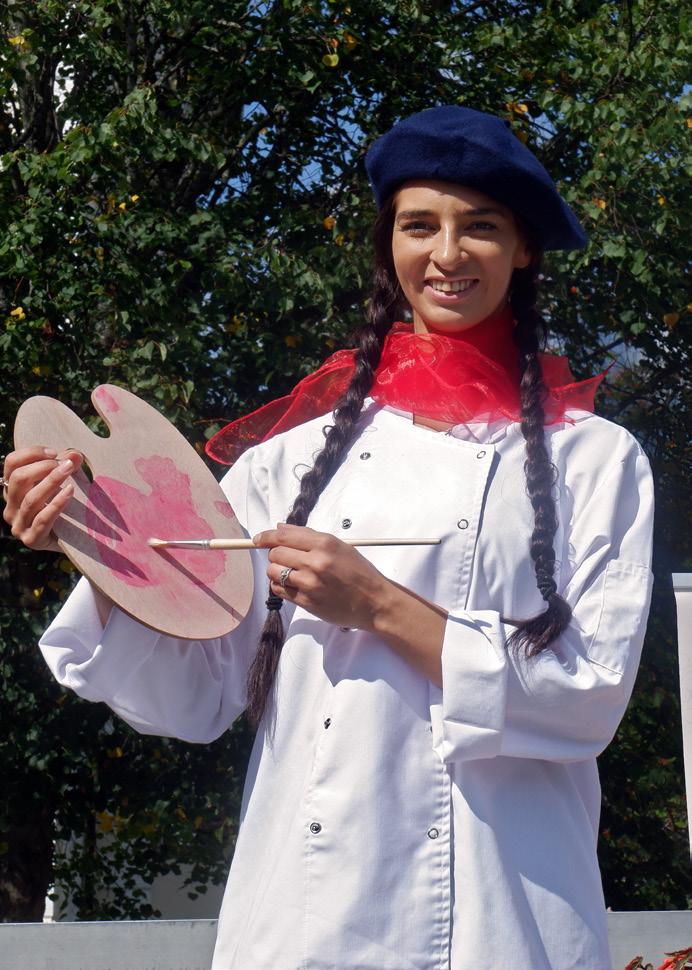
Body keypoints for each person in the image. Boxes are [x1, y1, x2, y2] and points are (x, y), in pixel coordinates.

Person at [2, 106, 654, 969]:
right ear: (389, 245)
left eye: (480, 227)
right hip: (306, 920)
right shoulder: (289, 462)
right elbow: (193, 695)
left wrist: (377, 605)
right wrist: (103, 555)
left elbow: (589, 694)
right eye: (419, 226)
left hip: (506, 913)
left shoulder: (596, 461)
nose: (447, 254)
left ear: (523, 248)